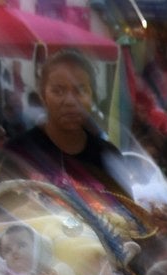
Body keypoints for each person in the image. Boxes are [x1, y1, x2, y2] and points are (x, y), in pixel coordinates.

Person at [10, 51, 126, 196]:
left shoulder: (109, 158)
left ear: (92, 96)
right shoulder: (18, 154)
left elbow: (129, 213)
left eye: (81, 90)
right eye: (58, 91)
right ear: (43, 96)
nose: (70, 101)